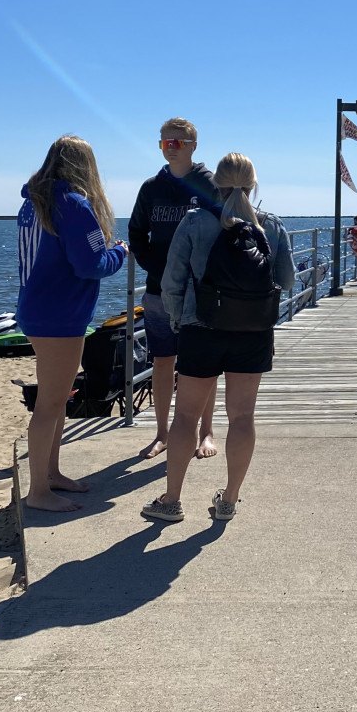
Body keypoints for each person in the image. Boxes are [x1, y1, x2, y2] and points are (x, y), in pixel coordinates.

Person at [144, 153, 294, 523]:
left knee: (185, 419)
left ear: (217, 184)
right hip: (252, 334)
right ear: (253, 184)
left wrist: (181, 323)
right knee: (242, 417)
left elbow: (171, 282)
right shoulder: (271, 226)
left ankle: (172, 501)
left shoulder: (194, 222)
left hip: (201, 331)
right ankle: (228, 500)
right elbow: (288, 281)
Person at [16, 136, 129, 513]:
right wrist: (119, 252)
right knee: (49, 403)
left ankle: (51, 473)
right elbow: (91, 264)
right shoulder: (74, 205)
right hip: (60, 315)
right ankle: (38, 492)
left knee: (58, 397)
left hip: (38, 309)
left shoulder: (34, 203)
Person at [127, 118, 220, 462]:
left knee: (202, 364)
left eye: (178, 142)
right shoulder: (151, 188)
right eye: (165, 142)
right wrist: (159, 269)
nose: (170, 146)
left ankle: (206, 430)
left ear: (194, 145)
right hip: (158, 291)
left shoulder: (210, 184)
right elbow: (137, 234)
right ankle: (162, 433)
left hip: (200, 292)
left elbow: (225, 229)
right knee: (162, 362)